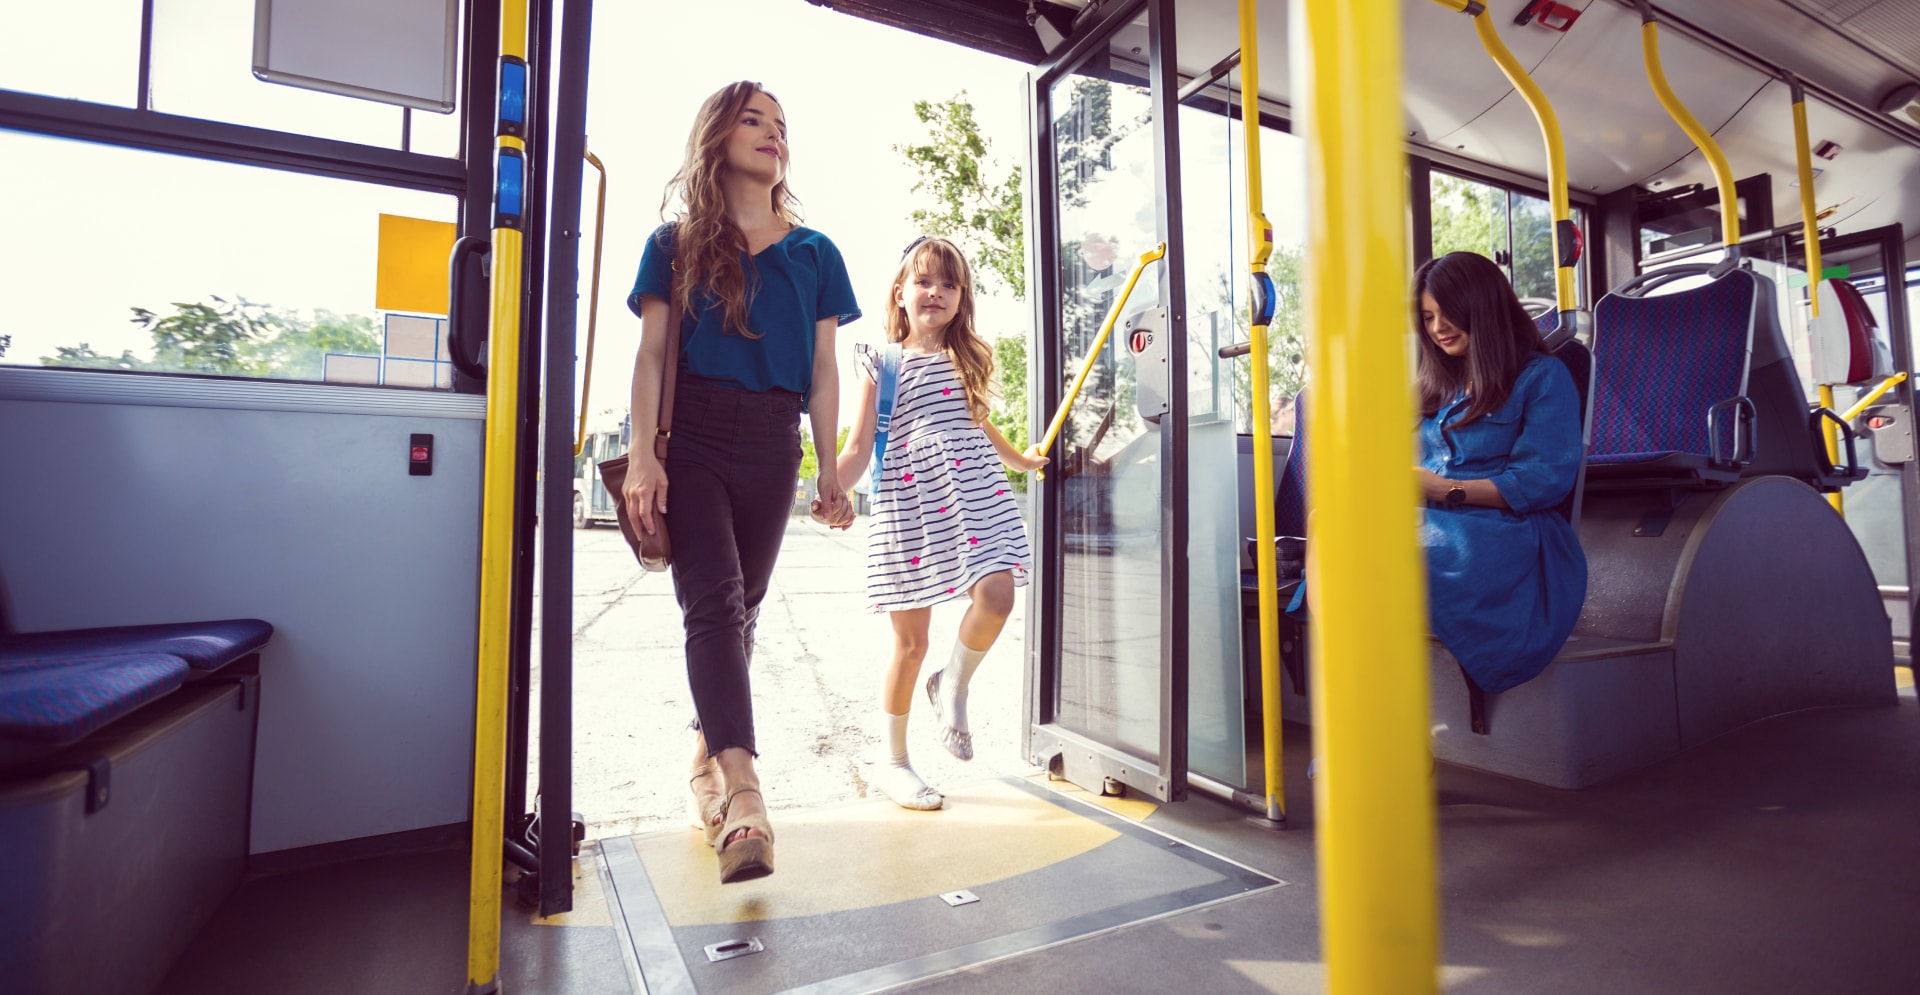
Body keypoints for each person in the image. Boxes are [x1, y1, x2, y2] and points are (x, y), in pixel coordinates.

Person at [623, 81, 858, 884]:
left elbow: (825, 371)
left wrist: (829, 466)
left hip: (773, 440)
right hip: (690, 438)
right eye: (754, 120)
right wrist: (644, 454)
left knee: (742, 612)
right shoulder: (675, 242)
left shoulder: (816, 252)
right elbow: (652, 356)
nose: (771, 134)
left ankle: (704, 764)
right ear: (717, 136)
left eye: (781, 125)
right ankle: (748, 794)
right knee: (713, 602)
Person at [832, 236, 1048, 810]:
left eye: (949, 284)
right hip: (911, 505)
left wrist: (1021, 461)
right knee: (910, 643)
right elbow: (857, 446)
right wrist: (834, 485)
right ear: (900, 293)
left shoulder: (969, 356)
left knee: (998, 595)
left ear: (961, 299)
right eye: (925, 280)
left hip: (974, 494)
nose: (936, 292)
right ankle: (894, 761)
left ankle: (952, 682)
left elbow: (980, 423)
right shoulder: (881, 361)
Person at [1411, 251, 1587, 694]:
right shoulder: (1435, 388)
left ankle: (1377, 722)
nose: (1438, 328)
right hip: (1431, 522)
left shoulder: (1542, 377)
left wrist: (1444, 488)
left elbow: (1543, 480)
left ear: (1483, 306)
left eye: (1448, 313)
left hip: (1504, 530)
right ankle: (1361, 713)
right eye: (1428, 317)